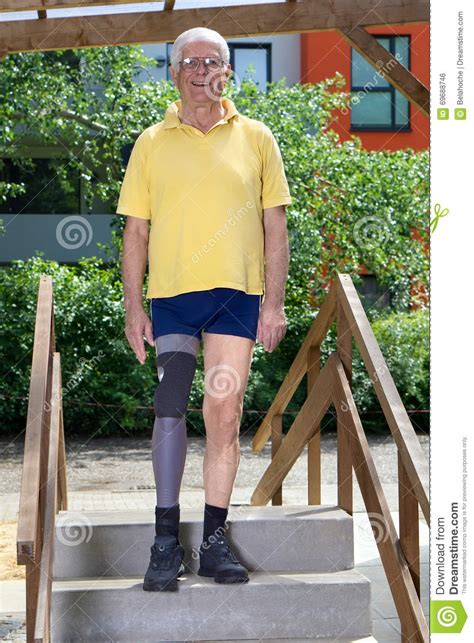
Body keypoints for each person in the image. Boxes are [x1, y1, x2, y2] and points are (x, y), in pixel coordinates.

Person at [116, 26, 292, 592]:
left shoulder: (258, 137)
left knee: (224, 408)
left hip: (236, 301)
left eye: (210, 60)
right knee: (169, 409)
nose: (199, 70)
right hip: (171, 298)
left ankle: (214, 540)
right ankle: (165, 541)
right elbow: (136, 233)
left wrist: (274, 304)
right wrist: (132, 307)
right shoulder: (151, 142)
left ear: (227, 70)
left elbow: (275, 227)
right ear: (173, 73)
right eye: (188, 61)